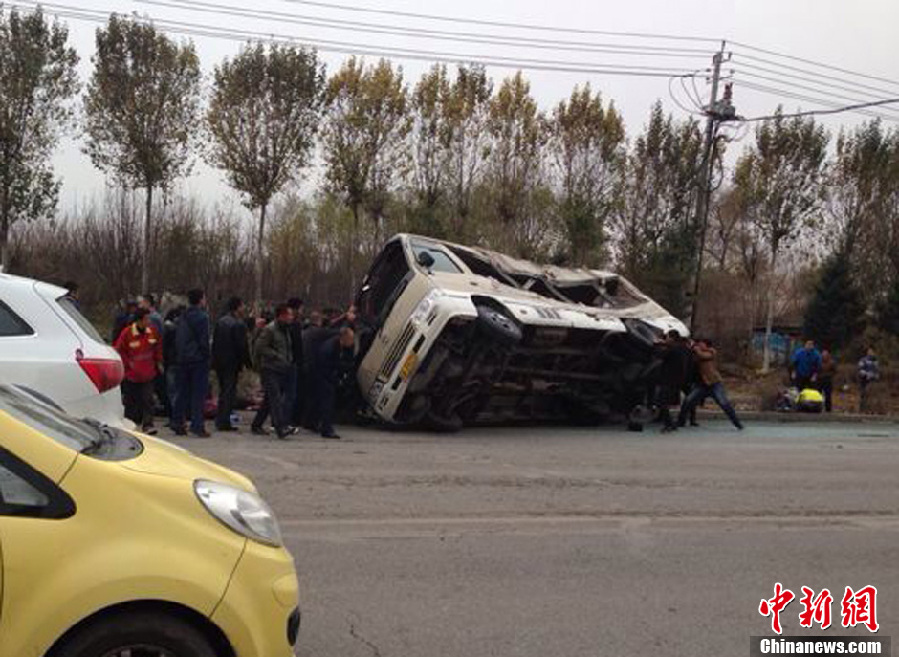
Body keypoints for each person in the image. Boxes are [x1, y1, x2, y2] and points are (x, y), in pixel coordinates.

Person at [251, 304, 298, 439]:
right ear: (281, 315)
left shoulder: (285, 330)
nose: (291, 317)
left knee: (269, 399)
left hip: (281, 368)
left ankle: (257, 424)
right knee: (276, 398)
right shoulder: (270, 330)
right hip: (270, 368)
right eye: (289, 314)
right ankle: (280, 427)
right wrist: (275, 355)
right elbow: (260, 347)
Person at [114, 308, 163, 434]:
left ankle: (148, 425)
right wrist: (126, 366)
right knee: (131, 402)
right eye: (146, 319)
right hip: (132, 375)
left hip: (149, 373)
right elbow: (119, 350)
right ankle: (129, 426)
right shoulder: (127, 333)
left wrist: (159, 363)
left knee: (148, 400)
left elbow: (157, 347)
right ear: (139, 320)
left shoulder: (152, 332)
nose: (149, 321)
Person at [677, 339, 744, 430]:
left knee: (724, 403)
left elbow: (702, 355)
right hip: (701, 385)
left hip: (714, 383)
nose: (699, 345)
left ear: (706, 346)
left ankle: (737, 423)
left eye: (701, 344)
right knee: (688, 401)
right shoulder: (695, 353)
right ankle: (680, 422)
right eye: (699, 344)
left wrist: (694, 347)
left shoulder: (711, 352)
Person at [172, 289, 211, 438]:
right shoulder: (202, 317)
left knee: (182, 392)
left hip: (182, 359)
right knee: (198, 394)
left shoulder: (183, 316)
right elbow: (203, 341)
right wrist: (207, 356)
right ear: (201, 300)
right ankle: (197, 424)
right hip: (198, 359)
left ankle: (177, 421)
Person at [309, 326, 355, 439]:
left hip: (323, 376)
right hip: (323, 377)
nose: (353, 342)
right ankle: (327, 429)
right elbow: (327, 367)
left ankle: (315, 424)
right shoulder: (330, 348)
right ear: (344, 338)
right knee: (327, 404)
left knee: (321, 402)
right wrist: (336, 380)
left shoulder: (335, 345)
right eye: (351, 339)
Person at [212, 296, 250, 432]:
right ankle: (224, 420)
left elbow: (215, 343)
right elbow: (242, 346)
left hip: (220, 362)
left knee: (223, 391)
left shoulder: (221, 322)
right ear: (237, 307)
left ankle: (220, 418)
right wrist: (247, 363)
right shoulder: (238, 324)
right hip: (232, 363)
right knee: (229, 392)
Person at [654, 330, 692, 433]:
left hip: (669, 379)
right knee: (665, 401)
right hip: (678, 380)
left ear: (671, 338)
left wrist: (657, 344)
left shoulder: (672, 349)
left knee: (662, 402)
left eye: (667, 337)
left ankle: (668, 424)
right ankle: (670, 423)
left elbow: (660, 355)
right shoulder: (683, 348)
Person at [162, 305, 184, 425]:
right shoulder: (184, 329)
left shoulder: (169, 329)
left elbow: (165, 347)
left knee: (172, 391)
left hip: (171, 362)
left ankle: (174, 417)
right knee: (178, 391)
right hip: (180, 361)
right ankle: (178, 417)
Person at [286, 298, 306, 427]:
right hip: (292, 362)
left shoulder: (285, 322)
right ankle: (287, 420)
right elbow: (297, 345)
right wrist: (301, 361)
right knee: (290, 394)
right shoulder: (295, 324)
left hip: (285, 361)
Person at [857, 347, 880, 413]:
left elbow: (876, 370)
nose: (871, 353)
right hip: (864, 380)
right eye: (870, 351)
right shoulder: (863, 360)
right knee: (864, 394)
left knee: (872, 396)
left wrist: (876, 375)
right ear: (867, 352)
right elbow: (860, 369)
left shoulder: (875, 361)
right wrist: (866, 374)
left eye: (872, 351)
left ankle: (871, 410)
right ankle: (862, 410)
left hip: (873, 381)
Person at [819, 349, 837, 413]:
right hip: (820, 380)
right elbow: (816, 369)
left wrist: (828, 375)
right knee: (819, 394)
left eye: (825, 354)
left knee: (828, 395)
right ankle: (818, 407)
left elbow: (834, 371)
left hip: (828, 380)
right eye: (823, 354)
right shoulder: (819, 362)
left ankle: (828, 409)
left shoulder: (832, 362)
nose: (824, 356)